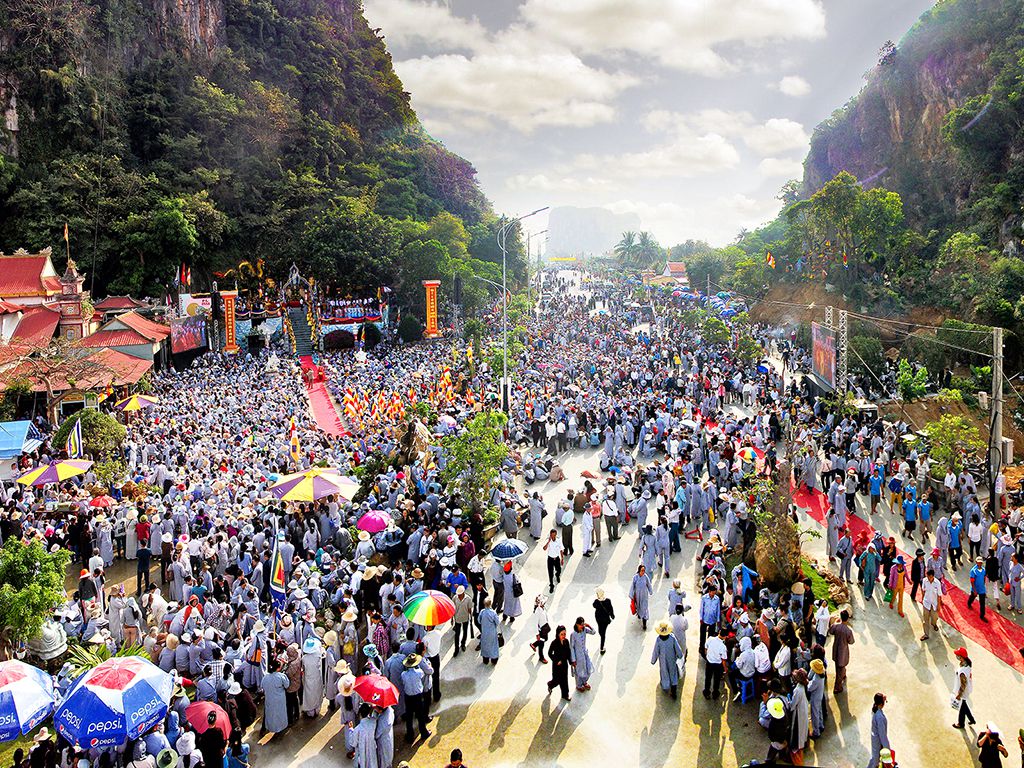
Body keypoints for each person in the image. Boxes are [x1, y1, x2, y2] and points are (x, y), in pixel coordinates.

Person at [400, 653, 430, 743]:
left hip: (408, 697)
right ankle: (423, 732)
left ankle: (410, 735)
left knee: (409, 717)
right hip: (418, 696)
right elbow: (422, 675)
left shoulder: (403, 674)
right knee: (420, 715)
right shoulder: (419, 672)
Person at [651, 620, 683, 699]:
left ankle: (665, 686)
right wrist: (680, 655)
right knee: (673, 673)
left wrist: (653, 660)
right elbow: (678, 649)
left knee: (664, 673)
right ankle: (674, 691)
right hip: (672, 660)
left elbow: (655, 651)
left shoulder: (658, 640)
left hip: (663, 662)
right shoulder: (672, 638)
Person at [259, 659, 290, 739]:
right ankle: (279, 730)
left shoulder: (266, 677)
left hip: (269, 699)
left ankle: (269, 727)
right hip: (279, 700)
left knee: (270, 714)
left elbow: (262, 687)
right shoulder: (281, 676)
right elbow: (287, 685)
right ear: (279, 668)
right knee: (280, 714)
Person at [828, 610, 855, 694]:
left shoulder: (836, 627)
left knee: (838, 666)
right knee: (840, 668)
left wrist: (835, 622)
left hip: (836, 649)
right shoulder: (848, 631)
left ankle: (843, 675)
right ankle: (837, 688)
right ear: (847, 619)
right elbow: (851, 641)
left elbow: (830, 631)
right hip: (843, 652)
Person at [952, 646, 976, 729]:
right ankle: (971, 719)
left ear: (961, 657)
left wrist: (959, 694)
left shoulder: (962, 672)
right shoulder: (967, 664)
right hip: (967, 688)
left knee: (961, 708)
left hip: (963, 691)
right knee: (964, 705)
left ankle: (961, 723)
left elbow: (963, 684)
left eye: (958, 655)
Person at [569, 617, 596, 692]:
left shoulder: (584, 630)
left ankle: (584, 682)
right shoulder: (573, 634)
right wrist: (573, 660)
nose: (582, 626)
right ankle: (578, 685)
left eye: (583, 624)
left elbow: (593, 632)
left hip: (584, 654)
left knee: (587, 668)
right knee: (578, 671)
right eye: (581, 625)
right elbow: (572, 647)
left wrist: (589, 626)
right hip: (577, 656)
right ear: (577, 624)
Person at [547, 625, 572, 702]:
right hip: (557, 666)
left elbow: (568, 652)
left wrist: (571, 662)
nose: (564, 636)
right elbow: (549, 653)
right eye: (562, 634)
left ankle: (565, 695)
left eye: (565, 634)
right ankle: (550, 685)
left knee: (564, 680)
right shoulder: (554, 643)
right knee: (557, 681)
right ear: (558, 634)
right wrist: (556, 660)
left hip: (564, 665)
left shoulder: (566, 641)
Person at [702, 626, 727, 700]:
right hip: (717, 665)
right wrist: (725, 669)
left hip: (709, 662)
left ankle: (706, 692)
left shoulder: (710, 639)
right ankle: (715, 693)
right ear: (725, 637)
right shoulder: (723, 647)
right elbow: (723, 660)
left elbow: (705, 648)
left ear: (719, 632)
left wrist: (707, 655)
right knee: (716, 679)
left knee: (708, 678)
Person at [867, 692, 890, 768]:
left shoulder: (876, 710)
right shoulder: (879, 717)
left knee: (874, 758)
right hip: (878, 740)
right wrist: (887, 748)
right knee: (875, 761)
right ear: (881, 704)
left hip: (875, 739)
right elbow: (882, 735)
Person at [920, 568, 942, 641]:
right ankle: (926, 634)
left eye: (929, 577)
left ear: (932, 576)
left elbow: (939, 595)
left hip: (934, 604)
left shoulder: (937, 583)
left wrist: (938, 605)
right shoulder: (924, 580)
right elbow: (923, 590)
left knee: (935, 617)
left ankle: (934, 624)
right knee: (925, 619)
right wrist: (923, 598)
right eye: (927, 576)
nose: (928, 578)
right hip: (926, 602)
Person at [629, 564, 653, 630]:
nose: (643, 572)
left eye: (644, 570)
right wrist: (631, 595)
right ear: (639, 570)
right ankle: (639, 614)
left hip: (644, 595)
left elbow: (649, 584)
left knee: (644, 608)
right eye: (642, 570)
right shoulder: (635, 577)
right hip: (638, 595)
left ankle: (644, 623)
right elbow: (632, 586)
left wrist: (650, 591)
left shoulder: (645, 577)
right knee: (639, 606)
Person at [478, 598, 500, 665]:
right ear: (490, 604)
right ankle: (494, 660)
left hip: (484, 632)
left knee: (485, 645)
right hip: (492, 632)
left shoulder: (482, 612)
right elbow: (497, 622)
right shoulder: (493, 613)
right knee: (493, 646)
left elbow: (479, 621)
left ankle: (485, 660)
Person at [593, 588, 615, 654]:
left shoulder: (597, 601)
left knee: (602, 633)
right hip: (602, 620)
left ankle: (602, 648)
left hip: (602, 620)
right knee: (601, 632)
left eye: (597, 594)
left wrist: (612, 615)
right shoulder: (605, 601)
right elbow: (611, 608)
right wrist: (612, 615)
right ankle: (602, 640)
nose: (596, 595)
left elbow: (611, 608)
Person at [968, 556, 989, 622]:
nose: (980, 564)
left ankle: (982, 615)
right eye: (978, 562)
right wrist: (974, 590)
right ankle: (969, 603)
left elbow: (984, 577)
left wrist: (984, 585)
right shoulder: (973, 571)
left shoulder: (983, 570)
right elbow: (972, 581)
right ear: (976, 562)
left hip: (982, 589)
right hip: (975, 588)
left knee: (982, 603)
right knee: (972, 597)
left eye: (981, 562)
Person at [543, 529, 564, 594]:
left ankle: (557, 575)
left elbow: (561, 550)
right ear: (550, 535)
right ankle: (551, 585)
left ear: (556, 534)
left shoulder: (558, 541)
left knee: (559, 570)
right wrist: (548, 542)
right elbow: (544, 548)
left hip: (557, 559)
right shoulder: (548, 541)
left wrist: (562, 559)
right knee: (550, 573)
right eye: (552, 535)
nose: (553, 537)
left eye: (554, 535)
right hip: (550, 559)